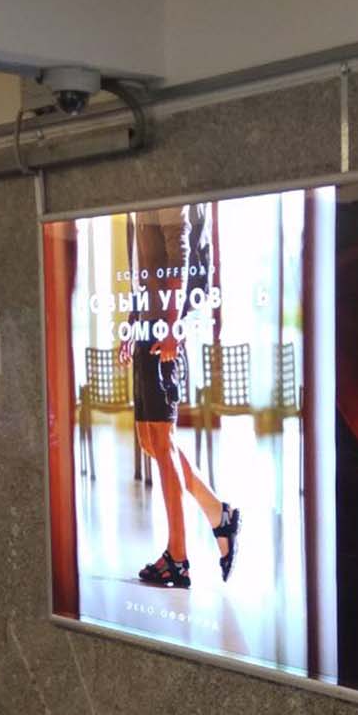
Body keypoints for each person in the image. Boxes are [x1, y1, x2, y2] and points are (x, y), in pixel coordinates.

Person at [120, 203, 239, 589]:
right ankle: (219, 513)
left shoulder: (165, 193)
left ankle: (178, 558)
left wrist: (172, 327)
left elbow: (180, 256)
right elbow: (142, 270)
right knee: (151, 440)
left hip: (164, 331)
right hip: (148, 326)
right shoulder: (136, 203)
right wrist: (132, 322)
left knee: (161, 439)